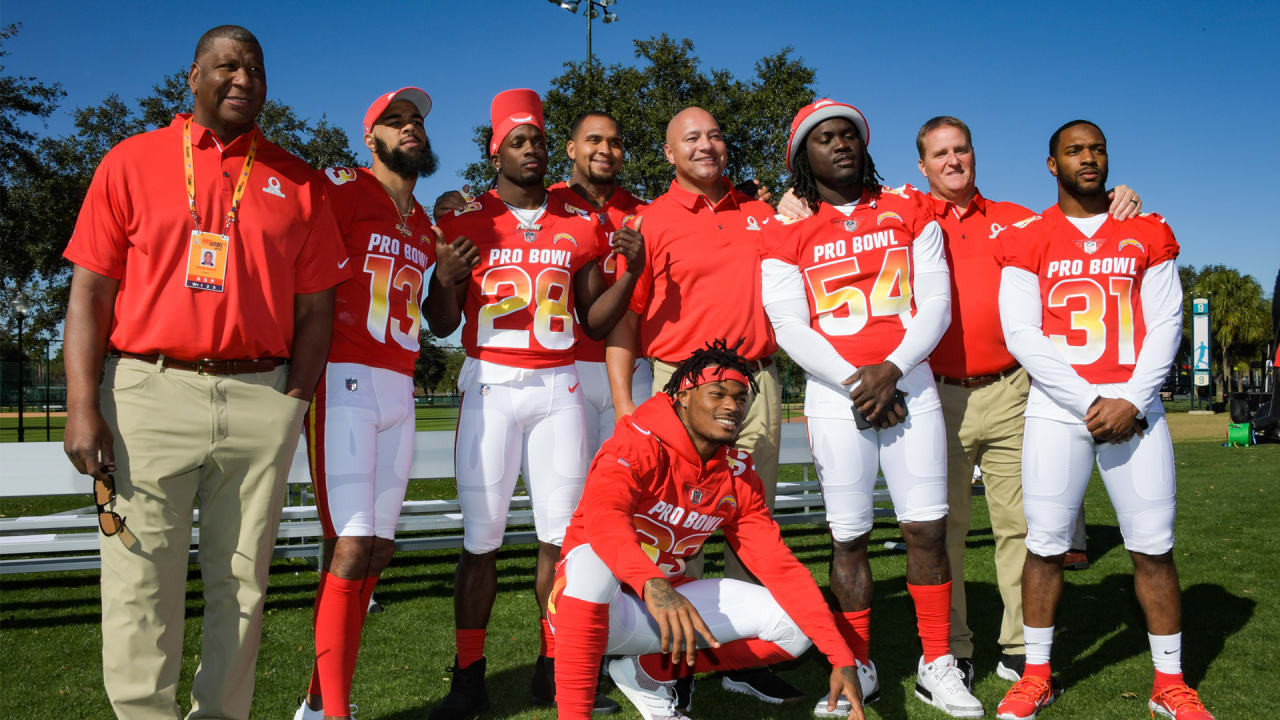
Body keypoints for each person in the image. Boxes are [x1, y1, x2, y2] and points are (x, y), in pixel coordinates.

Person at [780, 115, 1142, 686]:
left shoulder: (1018, 219)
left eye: (963, 151)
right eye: (941, 154)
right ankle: (948, 648)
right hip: (931, 393)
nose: (954, 161)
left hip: (1010, 389)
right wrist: (790, 198)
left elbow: (1079, 221)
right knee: (938, 528)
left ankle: (1022, 644)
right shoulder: (908, 213)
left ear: (975, 155)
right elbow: (826, 209)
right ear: (922, 167)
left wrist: (1116, 198)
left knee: (1022, 526)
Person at [61, 25, 348, 719]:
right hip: (147, 393)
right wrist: (81, 403)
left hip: (260, 397)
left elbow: (317, 312)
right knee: (140, 584)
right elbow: (90, 293)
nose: (243, 77)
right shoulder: (130, 162)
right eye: (226, 65)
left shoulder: (301, 181)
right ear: (192, 77)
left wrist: (294, 401)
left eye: (254, 67)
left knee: (243, 585)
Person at [423, 88, 643, 719]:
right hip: (491, 383)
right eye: (519, 142)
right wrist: (444, 277)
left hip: (558, 389)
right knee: (481, 540)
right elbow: (440, 324)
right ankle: (468, 675)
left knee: (560, 540)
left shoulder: (576, 223)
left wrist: (630, 273)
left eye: (540, 142)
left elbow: (595, 324)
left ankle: (553, 667)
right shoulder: (464, 218)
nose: (532, 152)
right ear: (496, 151)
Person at [761, 98, 984, 719]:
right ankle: (857, 664)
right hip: (838, 397)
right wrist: (858, 379)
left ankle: (935, 662)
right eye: (823, 139)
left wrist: (891, 371)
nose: (839, 146)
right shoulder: (787, 230)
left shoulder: (910, 208)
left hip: (908, 386)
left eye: (848, 135)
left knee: (925, 529)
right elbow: (786, 322)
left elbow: (936, 303)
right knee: (849, 537)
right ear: (803, 157)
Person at [994, 120, 1213, 720]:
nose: (1088, 159)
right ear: (1051, 164)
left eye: (1097, 149)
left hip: (1135, 408)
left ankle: (1169, 682)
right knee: (1043, 548)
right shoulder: (1027, 236)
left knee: (1153, 547)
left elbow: (1166, 321)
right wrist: (1092, 400)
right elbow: (1022, 332)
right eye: (1074, 150)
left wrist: (1132, 398)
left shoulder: (1146, 230)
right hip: (1060, 410)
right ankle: (1036, 674)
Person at [549, 339, 867, 720]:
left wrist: (840, 654)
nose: (732, 406)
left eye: (739, 397)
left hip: (665, 609)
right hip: (596, 606)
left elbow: (777, 565)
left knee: (796, 628)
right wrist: (652, 582)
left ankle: (647, 674)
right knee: (590, 564)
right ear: (684, 396)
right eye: (717, 394)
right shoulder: (637, 441)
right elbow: (605, 522)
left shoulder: (736, 472)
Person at [291, 88, 474, 720]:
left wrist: (448, 277)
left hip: (398, 384)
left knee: (377, 550)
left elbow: (441, 322)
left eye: (417, 120)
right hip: (342, 378)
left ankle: (318, 700)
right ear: (371, 138)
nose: (410, 128)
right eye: (395, 121)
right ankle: (333, 713)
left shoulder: (425, 222)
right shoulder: (341, 188)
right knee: (349, 544)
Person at [604, 106, 797, 704]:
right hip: (680, 387)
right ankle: (661, 659)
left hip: (757, 384)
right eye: (692, 138)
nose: (707, 145)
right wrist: (623, 407)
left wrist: (795, 207)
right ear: (669, 153)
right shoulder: (649, 221)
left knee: (748, 522)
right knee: (673, 527)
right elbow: (625, 323)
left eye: (715, 134)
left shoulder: (759, 214)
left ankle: (737, 658)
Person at [551, 111, 654, 453]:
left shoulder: (644, 213)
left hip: (633, 365)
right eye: (593, 140)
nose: (605, 149)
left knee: (629, 486)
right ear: (570, 148)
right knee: (570, 492)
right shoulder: (544, 205)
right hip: (565, 367)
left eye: (615, 143)